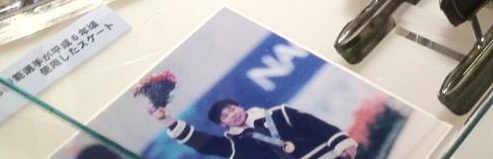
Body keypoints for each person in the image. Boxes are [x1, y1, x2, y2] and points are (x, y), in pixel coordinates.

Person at [151, 97, 359, 158]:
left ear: (240, 106)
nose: (233, 114)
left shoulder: (280, 112)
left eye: (232, 108)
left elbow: (317, 126)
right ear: (223, 124)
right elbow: (205, 144)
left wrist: (342, 143)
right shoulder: (235, 145)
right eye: (225, 115)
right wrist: (170, 123)